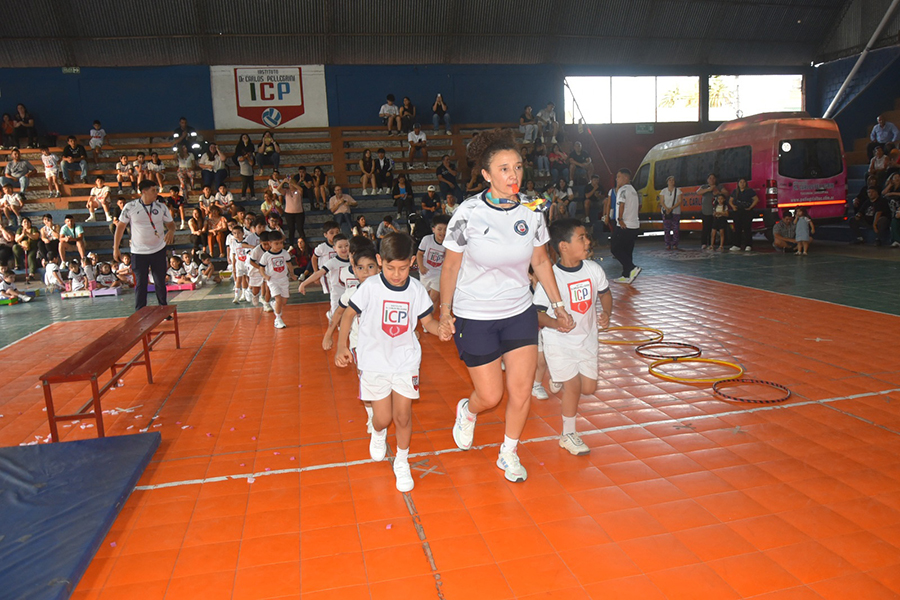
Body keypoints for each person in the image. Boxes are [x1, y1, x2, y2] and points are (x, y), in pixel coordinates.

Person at [438, 128, 574, 483]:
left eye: (517, 167)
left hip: (519, 312)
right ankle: (468, 411)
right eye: (503, 169)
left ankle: (508, 452)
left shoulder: (531, 210)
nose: (513, 175)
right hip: (475, 315)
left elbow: (541, 261)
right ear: (485, 175)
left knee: (520, 390)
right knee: (490, 396)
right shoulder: (467, 213)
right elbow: (450, 266)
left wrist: (557, 304)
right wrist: (444, 311)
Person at [335, 232, 440, 492]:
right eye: (391, 268)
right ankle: (378, 432)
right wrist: (341, 346)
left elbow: (428, 322)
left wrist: (443, 329)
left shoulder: (415, 290)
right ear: (380, 261)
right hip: (374, 362)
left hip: (405, 361)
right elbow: (348, 316)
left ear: (412, 262)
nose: (397, 274)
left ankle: (402, 462)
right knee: (382, 417)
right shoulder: (369, 287)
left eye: (403, 268)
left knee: (403, 416)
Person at [533, 218, 612, 454]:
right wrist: (556, 323)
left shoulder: (593, 269)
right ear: (563, 246)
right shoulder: (551, 277)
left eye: (586, 237)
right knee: (574, 387)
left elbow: (605, 295)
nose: (588, 241)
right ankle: (568, 434)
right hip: (559, 341)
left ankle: (558, 377)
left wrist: (606, 312)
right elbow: (537, 314)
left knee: (588, 387)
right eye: (581, 238)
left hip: (587, 339)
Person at [114, 180, 176, 310]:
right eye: (153, 190)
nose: (156, 193)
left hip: (158, 249)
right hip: (139, 252)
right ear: (144, 191)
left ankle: (163, 309)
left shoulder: (161, 207)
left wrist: (171, 231)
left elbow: (171, 224)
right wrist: (116, 248)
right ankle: (140, 312)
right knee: (141, 283)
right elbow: (120, 227)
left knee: (160, 282)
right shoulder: (130, 207)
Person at [300, 233, 350, 318]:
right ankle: (332, 315)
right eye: (340, 247)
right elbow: (318, 273)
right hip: (336, 294)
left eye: (346, 245)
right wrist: (303, 284)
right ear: (334, 248)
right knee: (337, 318)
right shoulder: (332, 262)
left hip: (350, 293)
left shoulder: (353, 261)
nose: (344, 249)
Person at [255, 231, 297, 329]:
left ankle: (274, 304)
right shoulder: (266, 255)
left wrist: (292, 274)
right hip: (272, 280)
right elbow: (261, 268)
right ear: (270, 243)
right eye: (276, 243)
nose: (279, 245)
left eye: (281, 243)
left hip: (283, 279)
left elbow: (289, 264)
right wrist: (265, 276)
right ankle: (278, 319)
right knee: (278, 299)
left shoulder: (285, 253)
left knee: (284, 300)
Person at [611, 168, 642, 284]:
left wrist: (620, 219)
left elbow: (622, 204)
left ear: (625, 178)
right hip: (634, 225)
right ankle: (626, 275)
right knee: (627, 250)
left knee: (615, 248)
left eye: (618, 177)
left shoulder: (623, 190)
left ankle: (632, 268)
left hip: (624, 225)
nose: (616, 179)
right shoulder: (633, 190)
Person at [416, 213, 449, 313]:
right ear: (433, 229)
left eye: (445, 229)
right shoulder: (427, 239)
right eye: (439, 229)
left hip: (439, 273)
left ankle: (430, 318)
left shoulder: (448, 243)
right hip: (426, 272)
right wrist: (421, 266)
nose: (442, 232)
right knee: (425, 297)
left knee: (434, 298)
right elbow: (419, 254)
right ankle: (425, 317)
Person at [728, 177, 759, 252]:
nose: (742, 184)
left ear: (746, 183)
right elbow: (730, 201)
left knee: (747, 228)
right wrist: (733, 207)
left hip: (747, 212)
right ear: (738, 184)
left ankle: (748, 245)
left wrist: (750, 207)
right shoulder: (735, 191)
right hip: (737, 212)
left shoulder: (749, 191)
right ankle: (737, 245)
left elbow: (756, 199)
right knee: (737, 228)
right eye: (740, 182)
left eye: (743, 182)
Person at [696, 173, 725, 249]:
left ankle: (712, 244)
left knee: (714, 228)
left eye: (713, 178)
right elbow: (698, 192)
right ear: (707, 180)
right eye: (710, 178)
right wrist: (708, 189)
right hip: (706, 211)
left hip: (716, 212)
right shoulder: (704, 186)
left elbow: (726, 193)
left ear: (715, 179)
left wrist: (718, 192)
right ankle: (704, 243)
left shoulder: (719, 187)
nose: (711, 180)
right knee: (706, 228)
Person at [228, 225, 253, 302]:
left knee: (246, 279)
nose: (237, 235)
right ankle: (236, 296)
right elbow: (234, 254)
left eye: (239, 233)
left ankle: (245, 294)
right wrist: (234, 265)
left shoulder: (247, 242)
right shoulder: (233, 243)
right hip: (239, 264)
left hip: (247, 264)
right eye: (234, 233)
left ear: (243, 233)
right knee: (239, 280)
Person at [658, 175, 683, 250]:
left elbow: (679, 201)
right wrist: (666, 209)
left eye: (673, 180)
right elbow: (661, 201)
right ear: (667, 182)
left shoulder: (678, 191)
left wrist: (671, 208)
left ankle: (675, 244)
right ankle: (667, 244)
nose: (671, 182)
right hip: (666, 212)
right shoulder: (663, 191)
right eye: (670, 180)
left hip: (675, 212)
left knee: (675, 229)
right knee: (667, 229)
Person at [13, 217, 39, 282]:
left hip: (32, 247)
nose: (26, 223)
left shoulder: (33, 229)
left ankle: (31, 274)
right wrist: (23, 235)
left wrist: (27, 234)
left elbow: (35, 237)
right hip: (22, 247)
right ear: (22, 224)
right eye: (24, 222)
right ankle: (18, 264)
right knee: (15, 247)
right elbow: (16, 239)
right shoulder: (20, 230)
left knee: (30, 257)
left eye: (27, 222)